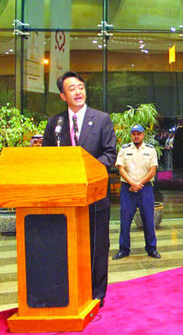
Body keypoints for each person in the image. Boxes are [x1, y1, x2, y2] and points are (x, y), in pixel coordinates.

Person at [43, 71, 116, 304]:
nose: (78, 92)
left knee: (97, 245)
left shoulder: (102, 118)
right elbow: (47, 157)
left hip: (94, 196)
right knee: (66, 245)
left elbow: (110, 154)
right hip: (66, 198)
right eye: (72, 88)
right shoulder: (56, 123)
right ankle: (68, 288)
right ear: (63, 96)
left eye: (81, 87)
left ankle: (96, 293)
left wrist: (85, 170)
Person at [112, 124, 161, 260]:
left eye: (138, 134)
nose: (136, 136)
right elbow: (120, 168)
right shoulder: (124, 149)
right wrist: (133, 183)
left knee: (148, 220)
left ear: (143, 135)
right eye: (133, 134)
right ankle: (124, 249)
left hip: (145, 189)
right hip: (127, 189)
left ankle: (151, 249)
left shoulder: (150, 150)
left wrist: (139, 183)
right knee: (125, 220)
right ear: (131, 135)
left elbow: (153, 170)